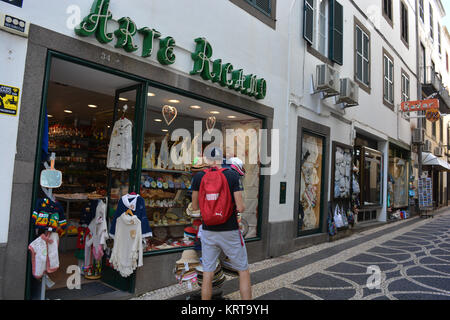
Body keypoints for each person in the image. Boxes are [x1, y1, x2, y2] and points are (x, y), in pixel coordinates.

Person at [191, 148, 251, 300]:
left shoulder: (198, 177)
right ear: (221, 158)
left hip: (208, 231)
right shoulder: (232, 175)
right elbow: (241, 207)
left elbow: (195, 207)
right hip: (229, 230)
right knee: (243, 270)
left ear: (206, 159)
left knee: (208, 273)